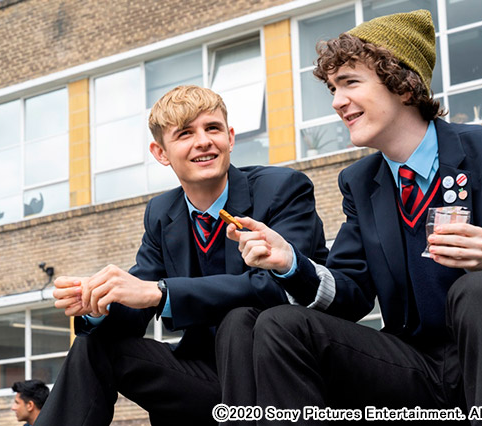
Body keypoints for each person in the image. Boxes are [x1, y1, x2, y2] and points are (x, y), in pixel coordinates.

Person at [222, 10, 482, 425]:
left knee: (478, 290)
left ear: (403, 85)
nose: (336, 101)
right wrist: (290, 263)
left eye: (350, 82)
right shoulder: (360, 182)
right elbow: (351, 294)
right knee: (281, 324)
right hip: (422, 367)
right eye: (333, 88)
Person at [35, 85, 328, 426]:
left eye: (213, 129)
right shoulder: (162, 212)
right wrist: (98, 303)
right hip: (208, 380)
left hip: (280, 380)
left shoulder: (282, 189)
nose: (203, 141)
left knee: (240, 317)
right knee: (95, 344)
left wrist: (161, 292)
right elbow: (138, 294)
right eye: (185, 134)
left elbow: (279, 288)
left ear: (231, 138)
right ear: (161, 153)